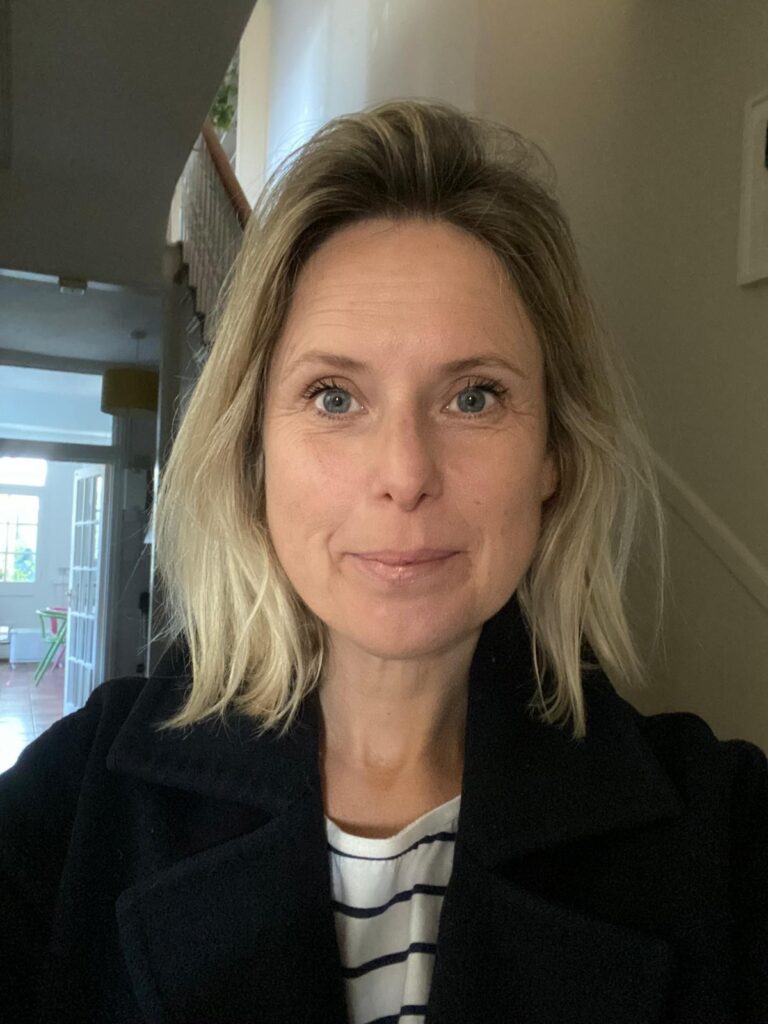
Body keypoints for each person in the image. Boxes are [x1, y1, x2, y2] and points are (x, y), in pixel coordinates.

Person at [1, 99, 766, 1024]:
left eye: (475, 396)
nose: (405, 475)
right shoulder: (82, 800)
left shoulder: (722, 834)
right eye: (333, 397)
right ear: (253, 451)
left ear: (555, 454)